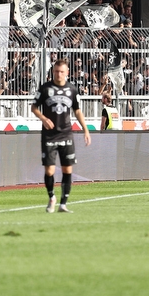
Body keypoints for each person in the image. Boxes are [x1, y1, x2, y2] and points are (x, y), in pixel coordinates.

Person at [31, 58, 91, 213]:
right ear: (53, 72)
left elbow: (77, 111)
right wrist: (43, 118)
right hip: (49, 135)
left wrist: (86, 130)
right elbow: (34, 107)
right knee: (49, 171)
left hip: (66, 134)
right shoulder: (45, 88)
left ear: (67, 73)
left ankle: (64, 203)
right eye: (56, 71)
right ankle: (52, 196)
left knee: (67, 170)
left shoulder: (72, 90)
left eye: (62, 72)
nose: (59, 74)